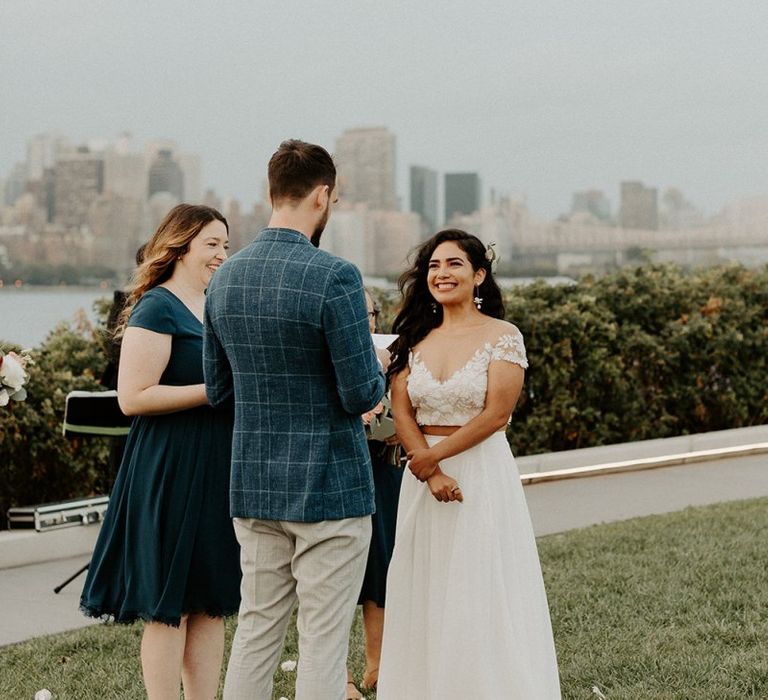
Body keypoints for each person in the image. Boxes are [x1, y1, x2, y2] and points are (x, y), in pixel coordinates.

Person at [203, 139, 386, 700]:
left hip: (255, 486)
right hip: (331, 486)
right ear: (323, 195)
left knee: (257, 629)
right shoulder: (335, 276)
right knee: (323, 641)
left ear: (271, 192)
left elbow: (217, 390)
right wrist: (376, 367)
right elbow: (360, 396)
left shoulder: (225, 278)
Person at [376, 229, 561, 699]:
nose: (442, 274)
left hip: (479, 472)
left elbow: (496, 414)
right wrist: (430, 472)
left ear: (478, 275)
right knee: (424, 587)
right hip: (425, 480)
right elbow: (401, 410)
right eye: (434, 266)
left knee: (479, 585)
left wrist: (430, 459)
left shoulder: (502, 337)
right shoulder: (414, 337)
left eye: (454, 264)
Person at [80, 203, 241, 700]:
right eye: (211, 244)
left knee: (210, 598)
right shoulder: (158, 306)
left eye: (225, 246)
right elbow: (133, 397)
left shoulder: (218, 305)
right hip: (169, 464)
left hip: (217, 465)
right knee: (170, 600)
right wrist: (211, 390)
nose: (220, 254)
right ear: (181, 245)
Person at [346, 290, 403, 700]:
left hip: (382, 468)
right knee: (333, 577)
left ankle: (377, 665)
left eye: (366, 312)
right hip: (337, 472)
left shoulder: (392, 352)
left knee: (381, 566)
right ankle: (339, 676)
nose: (361, 319)